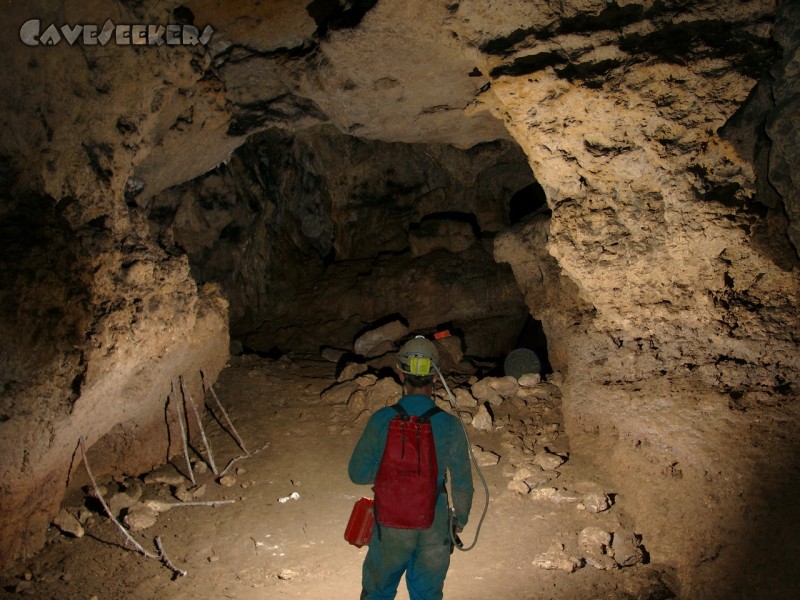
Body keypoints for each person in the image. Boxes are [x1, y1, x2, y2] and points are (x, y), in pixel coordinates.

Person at [348, 336, 474, 600]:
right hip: (434, 523)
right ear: (436, 377)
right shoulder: (450, 425)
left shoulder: (382, 419)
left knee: (378, 590)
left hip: (391, 523)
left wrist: (392, 474)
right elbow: (462, 483)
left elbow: (357, 473)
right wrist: (459, 520)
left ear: (400, 373)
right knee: (427, 594)